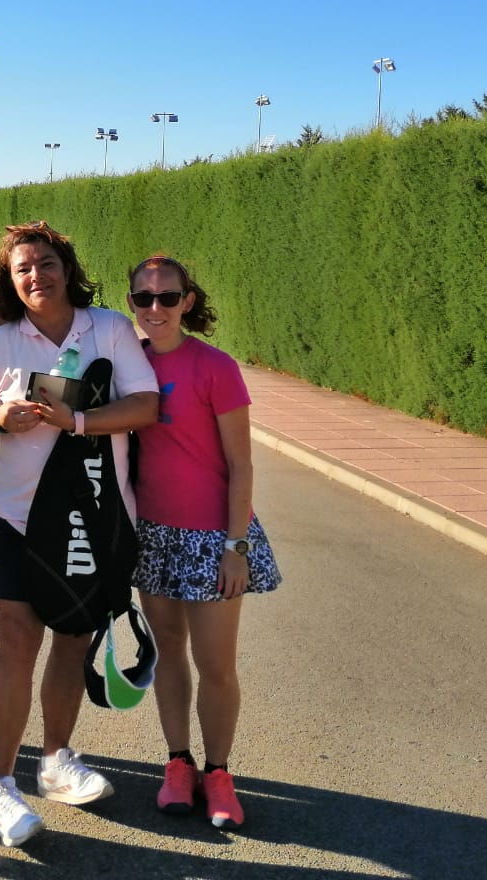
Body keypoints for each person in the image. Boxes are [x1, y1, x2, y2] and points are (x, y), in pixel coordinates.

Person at [0, 221, 159, 847]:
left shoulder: (109, 329)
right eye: (23, 268)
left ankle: (55, 761)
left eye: (45, 263)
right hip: (20, 520)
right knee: (18, 642)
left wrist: (77, 421)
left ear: (66, 268)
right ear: (10, 281)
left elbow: (146, 405)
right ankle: (0, 784)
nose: (36, 275)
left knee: (72, 640)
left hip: (95, 518)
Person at [126, 255, 282, 829]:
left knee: (215, 664)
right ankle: (178, 763)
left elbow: (242, 466)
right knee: (168, 653)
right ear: (132, 303)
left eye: (168, 297)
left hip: (214, 538)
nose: (156, 308)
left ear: (187, 301)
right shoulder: (129, 364)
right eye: (144, 297)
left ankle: (218, 773)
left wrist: (235, 547)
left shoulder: (216, 367)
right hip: (153, 535)